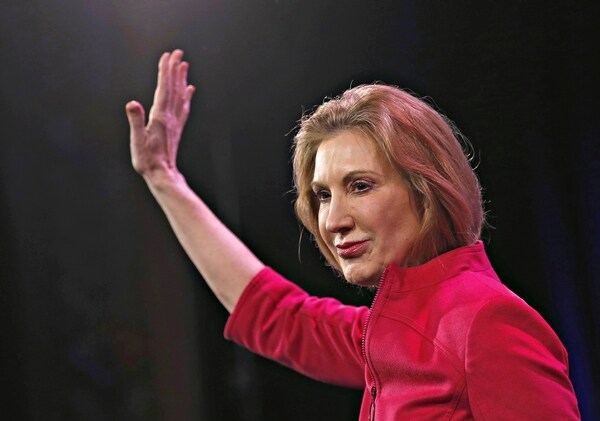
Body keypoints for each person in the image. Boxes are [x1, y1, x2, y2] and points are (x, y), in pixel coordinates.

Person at [126, 50, 580, 420]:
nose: (332, 220)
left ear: (426, 189)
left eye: (360, 186)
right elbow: (276, 315)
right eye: (323, 195)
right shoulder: (391, 328)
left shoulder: (485, 321)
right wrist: (164, 179)